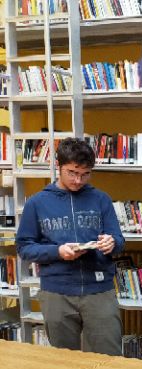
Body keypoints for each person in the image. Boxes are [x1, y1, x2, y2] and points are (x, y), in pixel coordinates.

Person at [16, 137, 125, 355]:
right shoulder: (37, 203)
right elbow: (24, 247)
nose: (78, 180)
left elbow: (119, 241)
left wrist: (112, 243)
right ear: (59, 165)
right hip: (57, 292)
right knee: (63, 362)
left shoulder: (101, 199)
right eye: (72, 173)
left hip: (99, 291)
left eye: (85, 174)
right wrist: (57, 252)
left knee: (109, 358)